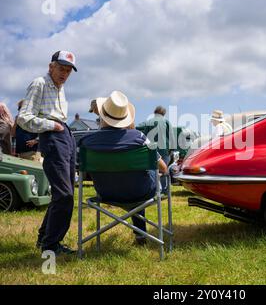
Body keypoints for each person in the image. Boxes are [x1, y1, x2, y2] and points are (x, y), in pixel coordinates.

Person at [79, 91, 167, 245]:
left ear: (102, 116)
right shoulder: (139, 138)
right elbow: (164, 168)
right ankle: (140, 235)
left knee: (132, 177)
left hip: (106, 192)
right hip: (140, 192)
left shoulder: (87, 142)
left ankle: (140, 234)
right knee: (138, 178)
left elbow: (82, 171)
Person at [17, 50, 78, 256]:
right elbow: (23, 118)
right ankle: (51, 245)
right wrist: (52, 125)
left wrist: (62, 128)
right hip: (53, 136)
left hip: (64, 135)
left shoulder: (60, 87)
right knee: (64, 195)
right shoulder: (39, 83)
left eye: (68, 70)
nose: (64, 74)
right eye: (61, 68)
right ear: (51, 66)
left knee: (65, 192)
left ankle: (45, 238)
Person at [137, 106, 174, 193]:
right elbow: (172, 137)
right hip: (164, 150)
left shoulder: (149, 121)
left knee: (153, 171)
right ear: (164, 113)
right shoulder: (166, 122)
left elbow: (144, 136)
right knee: (164, 170)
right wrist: (172, 150)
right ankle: (164, 190)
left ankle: (155, 189)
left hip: (152, 151)